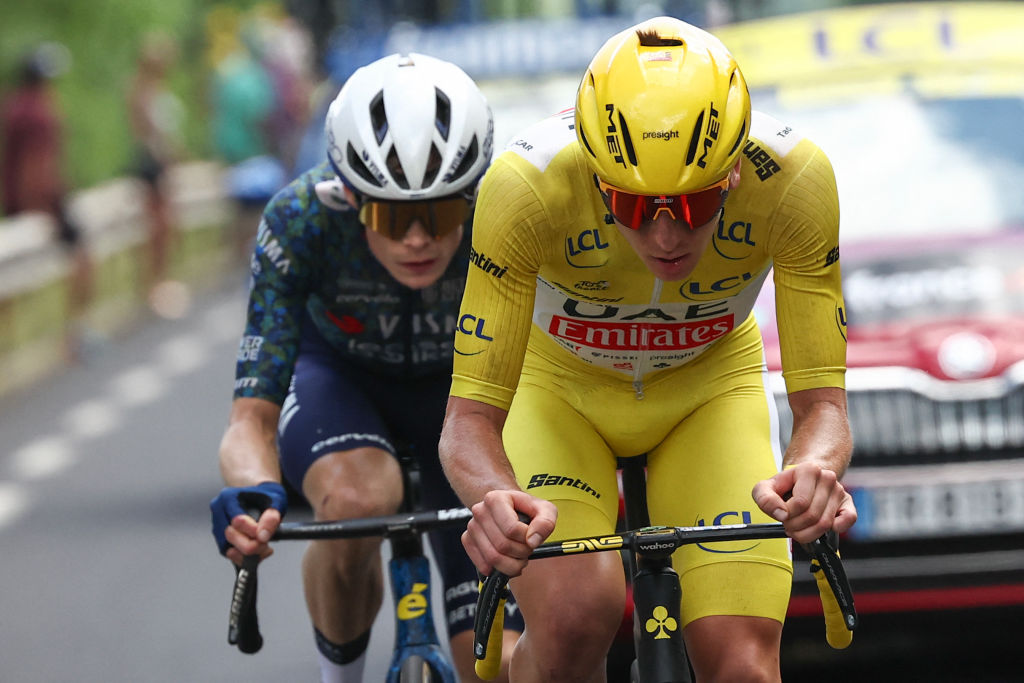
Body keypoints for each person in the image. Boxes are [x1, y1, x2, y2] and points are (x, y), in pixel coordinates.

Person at [439, 16, 856, 682]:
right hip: (559, 395)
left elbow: (824, 409)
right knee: (578, 612)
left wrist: (813, 466)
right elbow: (467, 425)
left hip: (709, 394)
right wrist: (492, 495)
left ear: (735, 177)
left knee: (744, 664)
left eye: (694, 205)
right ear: (597, 180)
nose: (665, 235)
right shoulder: (524, 187)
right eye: (633, 207)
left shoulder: (795, 179)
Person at [210, 53, 523, 682]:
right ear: (351, 197)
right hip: (341, 381)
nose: (416, 239)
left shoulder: (511, 210)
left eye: (438, 214)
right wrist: (250, 492)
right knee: (355, 500)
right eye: (389, 214)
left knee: (491, 665)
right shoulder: (300, 219)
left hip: (467, 395)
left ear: (471, 197)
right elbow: (252, 419)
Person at [1, 42, 94, 361]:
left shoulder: (14, 106)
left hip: (13, 198)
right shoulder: (40, 113)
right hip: (37, 200)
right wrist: (41, 210)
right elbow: (35, 167)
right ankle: (74, 334)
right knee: (81, 255)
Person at [125, 31, 185, 313]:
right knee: (157, 227)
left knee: (164, 226)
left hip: (160, 162)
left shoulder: (153, 89)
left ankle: (159, 282)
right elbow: (149, 131)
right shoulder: (141, 91)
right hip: (153, 162)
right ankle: (153, 286)